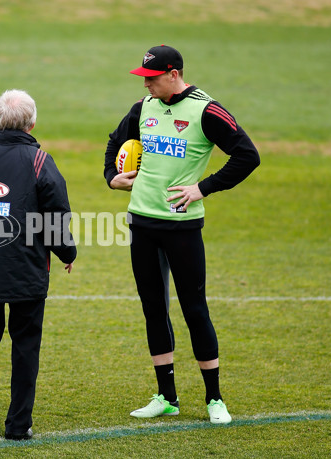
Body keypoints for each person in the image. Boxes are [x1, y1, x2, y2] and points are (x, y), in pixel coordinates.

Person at [104, 45, 260, 424]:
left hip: (182, 228)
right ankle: (166, 396)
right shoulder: (143, 108)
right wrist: (113, 177)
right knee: (153, 308)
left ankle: (214, 400)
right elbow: (114, 142)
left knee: (194, 310)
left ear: (174, 74)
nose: (147, 86)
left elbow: (247, 156)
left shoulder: (207, 110)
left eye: (152, 79)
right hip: (141, 222)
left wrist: (203, 189)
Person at [0, 89, 77, 440]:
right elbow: (56, 217)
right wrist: (67, 253)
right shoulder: (40, 162)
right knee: (25, 345)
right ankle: (18, 425)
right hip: (27, 271)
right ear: (32, 123)